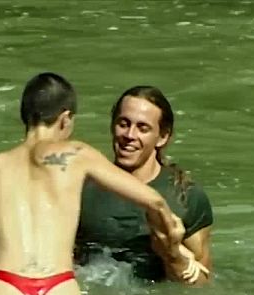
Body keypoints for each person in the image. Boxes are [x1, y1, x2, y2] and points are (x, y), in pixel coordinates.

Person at [0, 73, 184, 295]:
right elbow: (154, 201)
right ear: (65, 119)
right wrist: (177, 247)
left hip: (5, 283)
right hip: (58, 287)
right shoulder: (76, 154)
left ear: (24, 115)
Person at [75, 86, 213, 284]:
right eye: (123, 124)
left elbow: (201, 286)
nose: (130, 135)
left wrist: (172, 255)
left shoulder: (186, 197)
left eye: (143, 128)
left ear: (163, 137)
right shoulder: (82, 188)